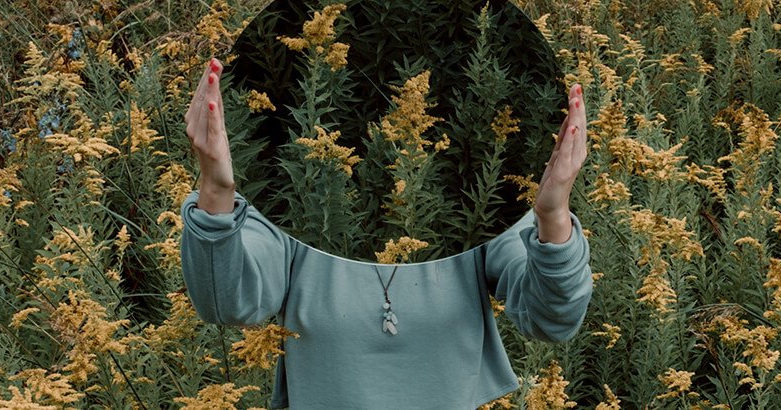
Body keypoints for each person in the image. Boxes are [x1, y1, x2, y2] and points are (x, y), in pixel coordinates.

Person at [180, 57, 593, 409]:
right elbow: (227, 304)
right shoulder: (293, 197)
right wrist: (215, 189)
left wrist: (552, 214)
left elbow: (550, 320)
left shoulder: (479, 208)